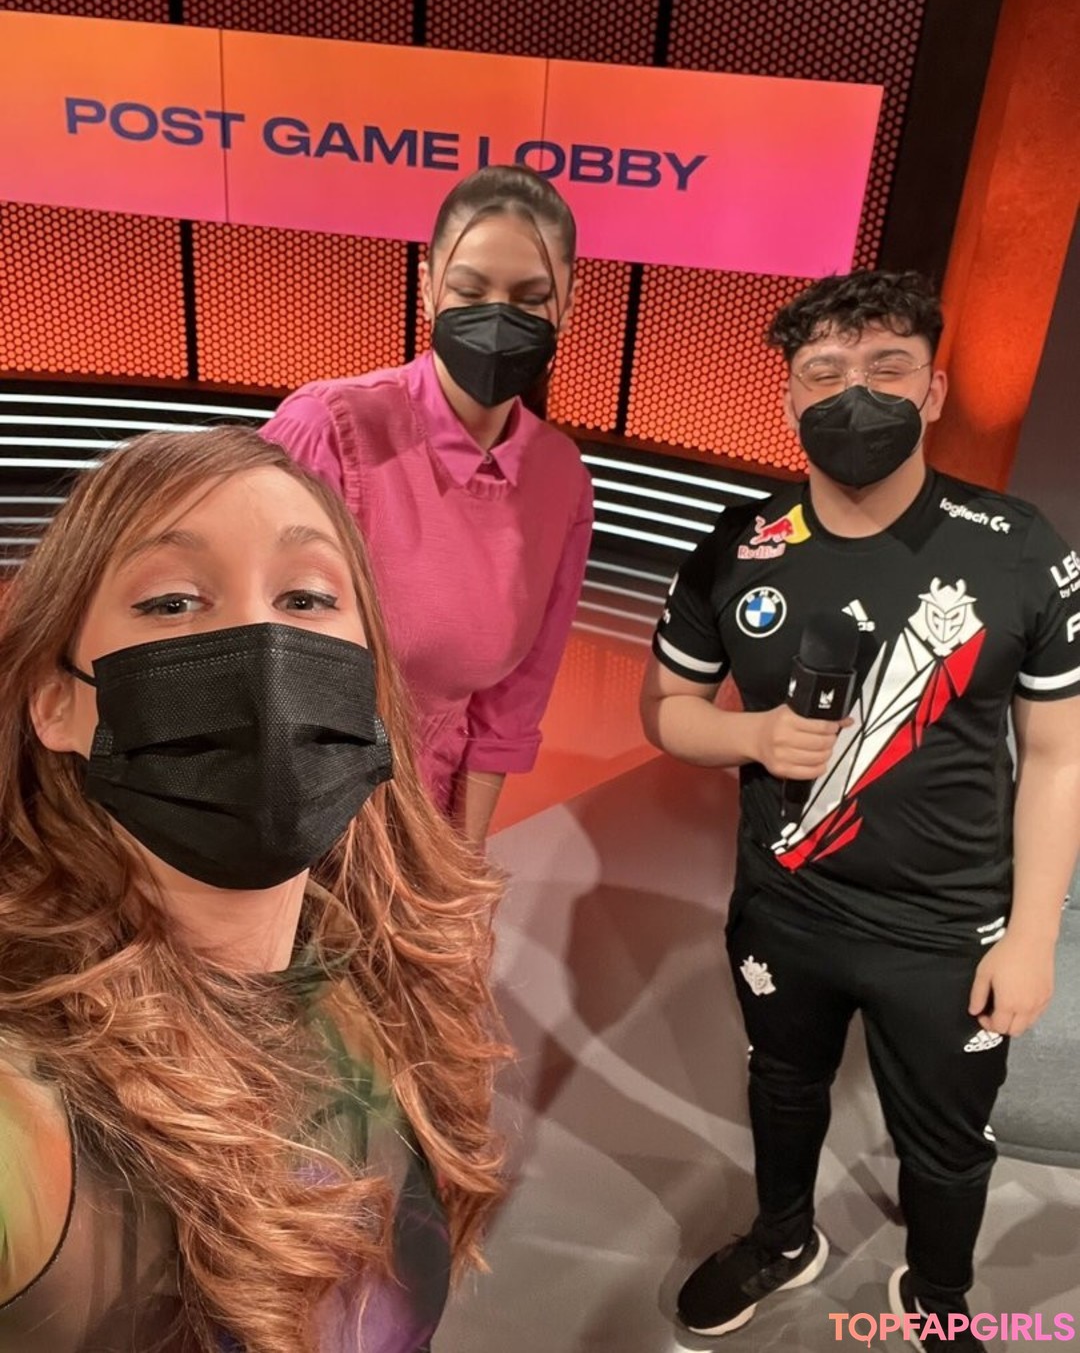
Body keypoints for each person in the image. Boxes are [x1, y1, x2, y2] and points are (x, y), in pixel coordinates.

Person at [640, 271, 1080, 1350]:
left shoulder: (1018, 546)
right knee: (782, 1085)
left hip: (949, 925)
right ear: (790, 396)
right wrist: (751, 737)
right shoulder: (738, 545)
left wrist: (1032, 939)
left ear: (933, 390)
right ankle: (784, 1238)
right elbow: (666, 708)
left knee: (949, 1143)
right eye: (825, 373)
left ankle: (936, 1292)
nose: (856, 395)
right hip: (785, 905)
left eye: (888, 369)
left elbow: (1059, 756)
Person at [0, 427, 507, 1353]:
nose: (262, 648)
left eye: (306, 597)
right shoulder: (22, 1113)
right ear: (56, 701)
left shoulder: (385, 981)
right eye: (172, 601)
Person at [261, 164, 594, 843]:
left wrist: (457, 868)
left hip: (427, 822)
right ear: (427, 285)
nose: (497, 317)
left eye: (530, 298)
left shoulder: (561, 479)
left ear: (567, 303)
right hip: (292, 815)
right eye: (470, 290)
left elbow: (508, 709)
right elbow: (249, 662)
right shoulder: (327, 430)